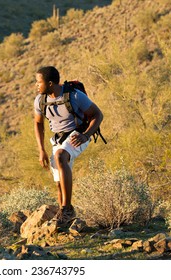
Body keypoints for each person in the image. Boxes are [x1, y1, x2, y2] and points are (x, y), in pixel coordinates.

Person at [33, 66, 103, 228]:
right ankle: (66, 218)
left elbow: (98, 115)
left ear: (50, 83)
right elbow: (38, 123)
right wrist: (41, 150)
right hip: (57, 139)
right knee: (59, 182)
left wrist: (86, 135)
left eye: (39, 82)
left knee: (60, 157)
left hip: (78, 135)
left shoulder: (75, 96)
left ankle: (66, 209)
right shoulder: (40, 100)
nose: (36, 85)